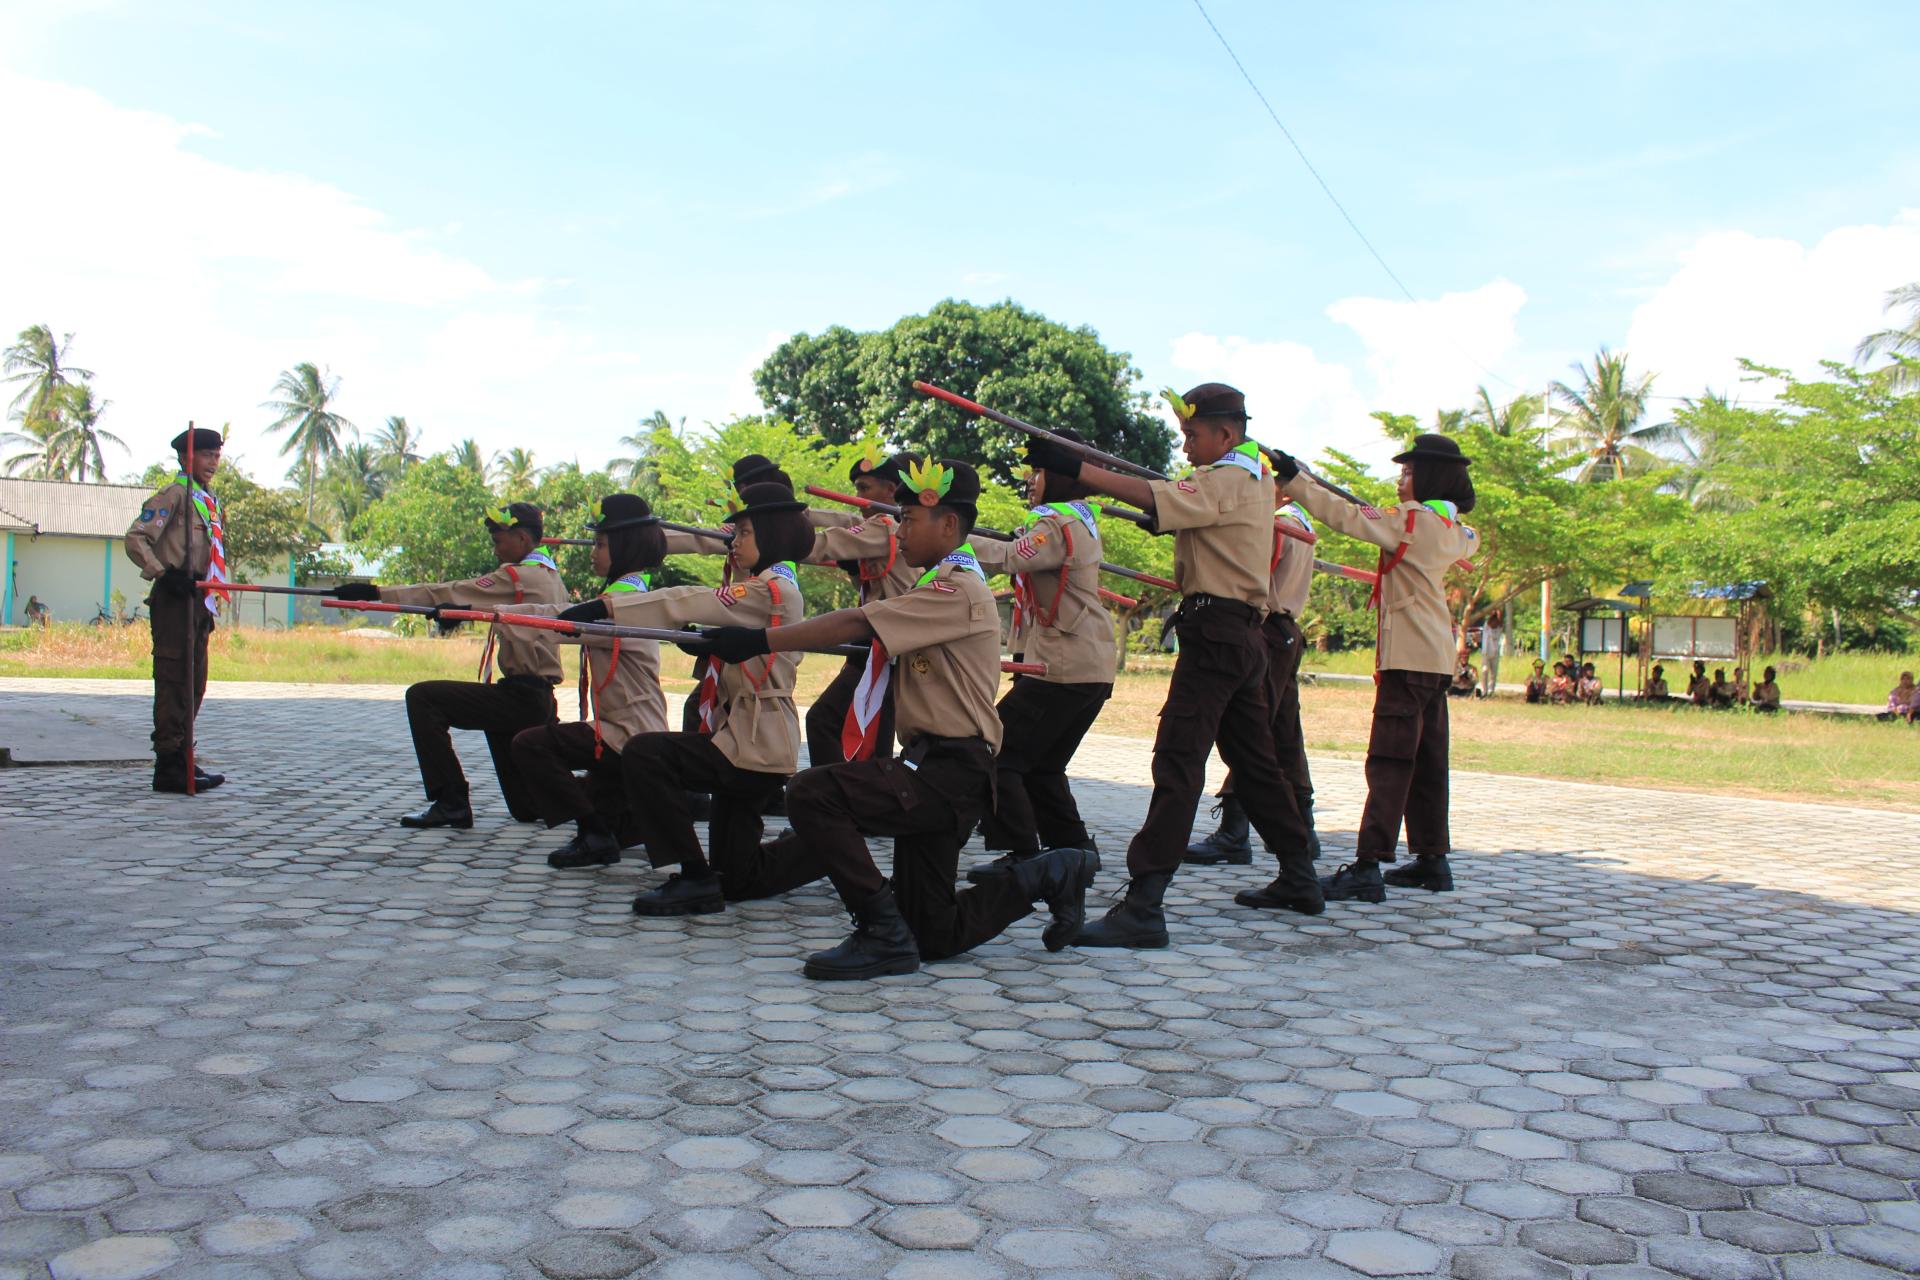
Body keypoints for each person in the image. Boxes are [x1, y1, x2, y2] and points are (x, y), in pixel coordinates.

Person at [686, 460, 1099, 979]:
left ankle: (880, 929)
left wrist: (758, 639)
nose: (898, 532)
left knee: (814, 792)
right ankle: (1051, 873)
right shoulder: (939, 584)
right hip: (946, 771)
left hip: (948, 773)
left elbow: (858, 621)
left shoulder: (953, 589)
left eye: (909, 519)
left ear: (949, 525)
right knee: (936, 932)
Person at [1026, 383, 1322, 946]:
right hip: (1238, 636)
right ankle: (1300, 875)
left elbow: (1156, 493)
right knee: (1256, 766)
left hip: (1216, 636)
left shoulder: (1229, 476)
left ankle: (1144, 904)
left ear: (1226, 434)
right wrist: (1160, 510)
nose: (1186, 446)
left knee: (1179, 761)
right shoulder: (1253, 478)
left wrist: (1078, 468)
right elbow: (1172, 504)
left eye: (1193, 434)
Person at [558, 482, 817, 915]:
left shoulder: (769, 590)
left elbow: (689, 599)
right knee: (739, 878)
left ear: (773, 535)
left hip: (753, 744)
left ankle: (694, 875)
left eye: (745, 533)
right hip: (747, 737)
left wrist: (608, 608)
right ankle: (824, 845)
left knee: (647, 754)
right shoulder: (766, 588)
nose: (734, 543)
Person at [1268, 431, 1480, 902]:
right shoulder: (1454, 530)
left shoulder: (1410, 522)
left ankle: (1368, 865)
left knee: (1389, 761)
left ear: (1431, 478)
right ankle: (1432, 859)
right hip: (1436, 659)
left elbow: (1344, 516)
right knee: (1428, 762)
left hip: (1406, 659)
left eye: (1409, 472)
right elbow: (1471, 540)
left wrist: (1296, 480)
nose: (1401, 481)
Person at [334, 502, 567, 828]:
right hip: (539, 699)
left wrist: (376, 592)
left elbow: (450, 591)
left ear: (523, 539)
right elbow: (472, 604)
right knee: (527, 807)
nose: (495, 551)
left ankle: (451, 800)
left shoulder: (519, 576)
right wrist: (461, 611)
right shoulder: (552, 577)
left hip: (521, 698)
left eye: (499, 541)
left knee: (423, 698)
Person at [966, 432, 1115, 881]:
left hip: (1063, 665)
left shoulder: (1058, 522)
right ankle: (1075, 853)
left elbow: (1013, 558)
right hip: (1088, 665)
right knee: (1044, 767)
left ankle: (1024, 854)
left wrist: (952, 539)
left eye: (1040, 471)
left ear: (1064, 477)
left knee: (996, 751)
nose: (1031, 480)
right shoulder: (1080, 518)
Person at [509, 495, 670, 869]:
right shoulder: (624, 593)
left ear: (625, 546)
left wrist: (498, 615)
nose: (593, 553)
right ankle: (629, 818)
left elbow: (561, 621)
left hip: (627, 732)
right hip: (623, 726)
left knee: (530, 745)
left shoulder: (625, 601)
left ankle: (595, 833)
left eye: (600, 544)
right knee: (612, 812)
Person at [1186, 482, 1321, 866]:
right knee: (1284, 732)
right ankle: (1304, 829)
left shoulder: (1278, 524)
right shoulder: (1300, 522)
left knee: (1250, 731)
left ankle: (1235, 831)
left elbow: (1249, 574)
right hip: (1286, 631)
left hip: (1266, 629)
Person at [124, 425, 230, 794]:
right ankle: (168, 763)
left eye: (216, 456)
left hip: (198, 597)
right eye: (206, 455)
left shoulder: (206, 500)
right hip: (175, 597)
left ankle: (184, 755)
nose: (213, 462)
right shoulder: (174, 495)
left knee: (195, 680)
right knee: (173, 677)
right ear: (187, 457)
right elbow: (136, 538)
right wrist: (162, 573)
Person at [798, 451, 920, 765]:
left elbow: (825, 543)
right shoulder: (885, 525)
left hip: (885, 643)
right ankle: (869, 790)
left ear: (891, 490)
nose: (858, 498)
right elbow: (845, 521)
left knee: (824, 719)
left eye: (864, 489)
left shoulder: (884, 526)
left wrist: (777, 536)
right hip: (883, 639)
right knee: (875, 732)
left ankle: (832, 791)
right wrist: (801, 514)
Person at [1478, 610, 1504, 697]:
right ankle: (1484, 690)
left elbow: (1501, 622)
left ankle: (1491, 691)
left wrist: (1498, 612)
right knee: (1484, 671)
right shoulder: (1487, 627)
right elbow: (1489, 620)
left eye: (1495, 621)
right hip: (1486, 654)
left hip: (1495, 654)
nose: (1494, 623)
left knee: (1494, 673)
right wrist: (1493, 612)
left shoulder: (1499, 629)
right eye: (1493, 621)